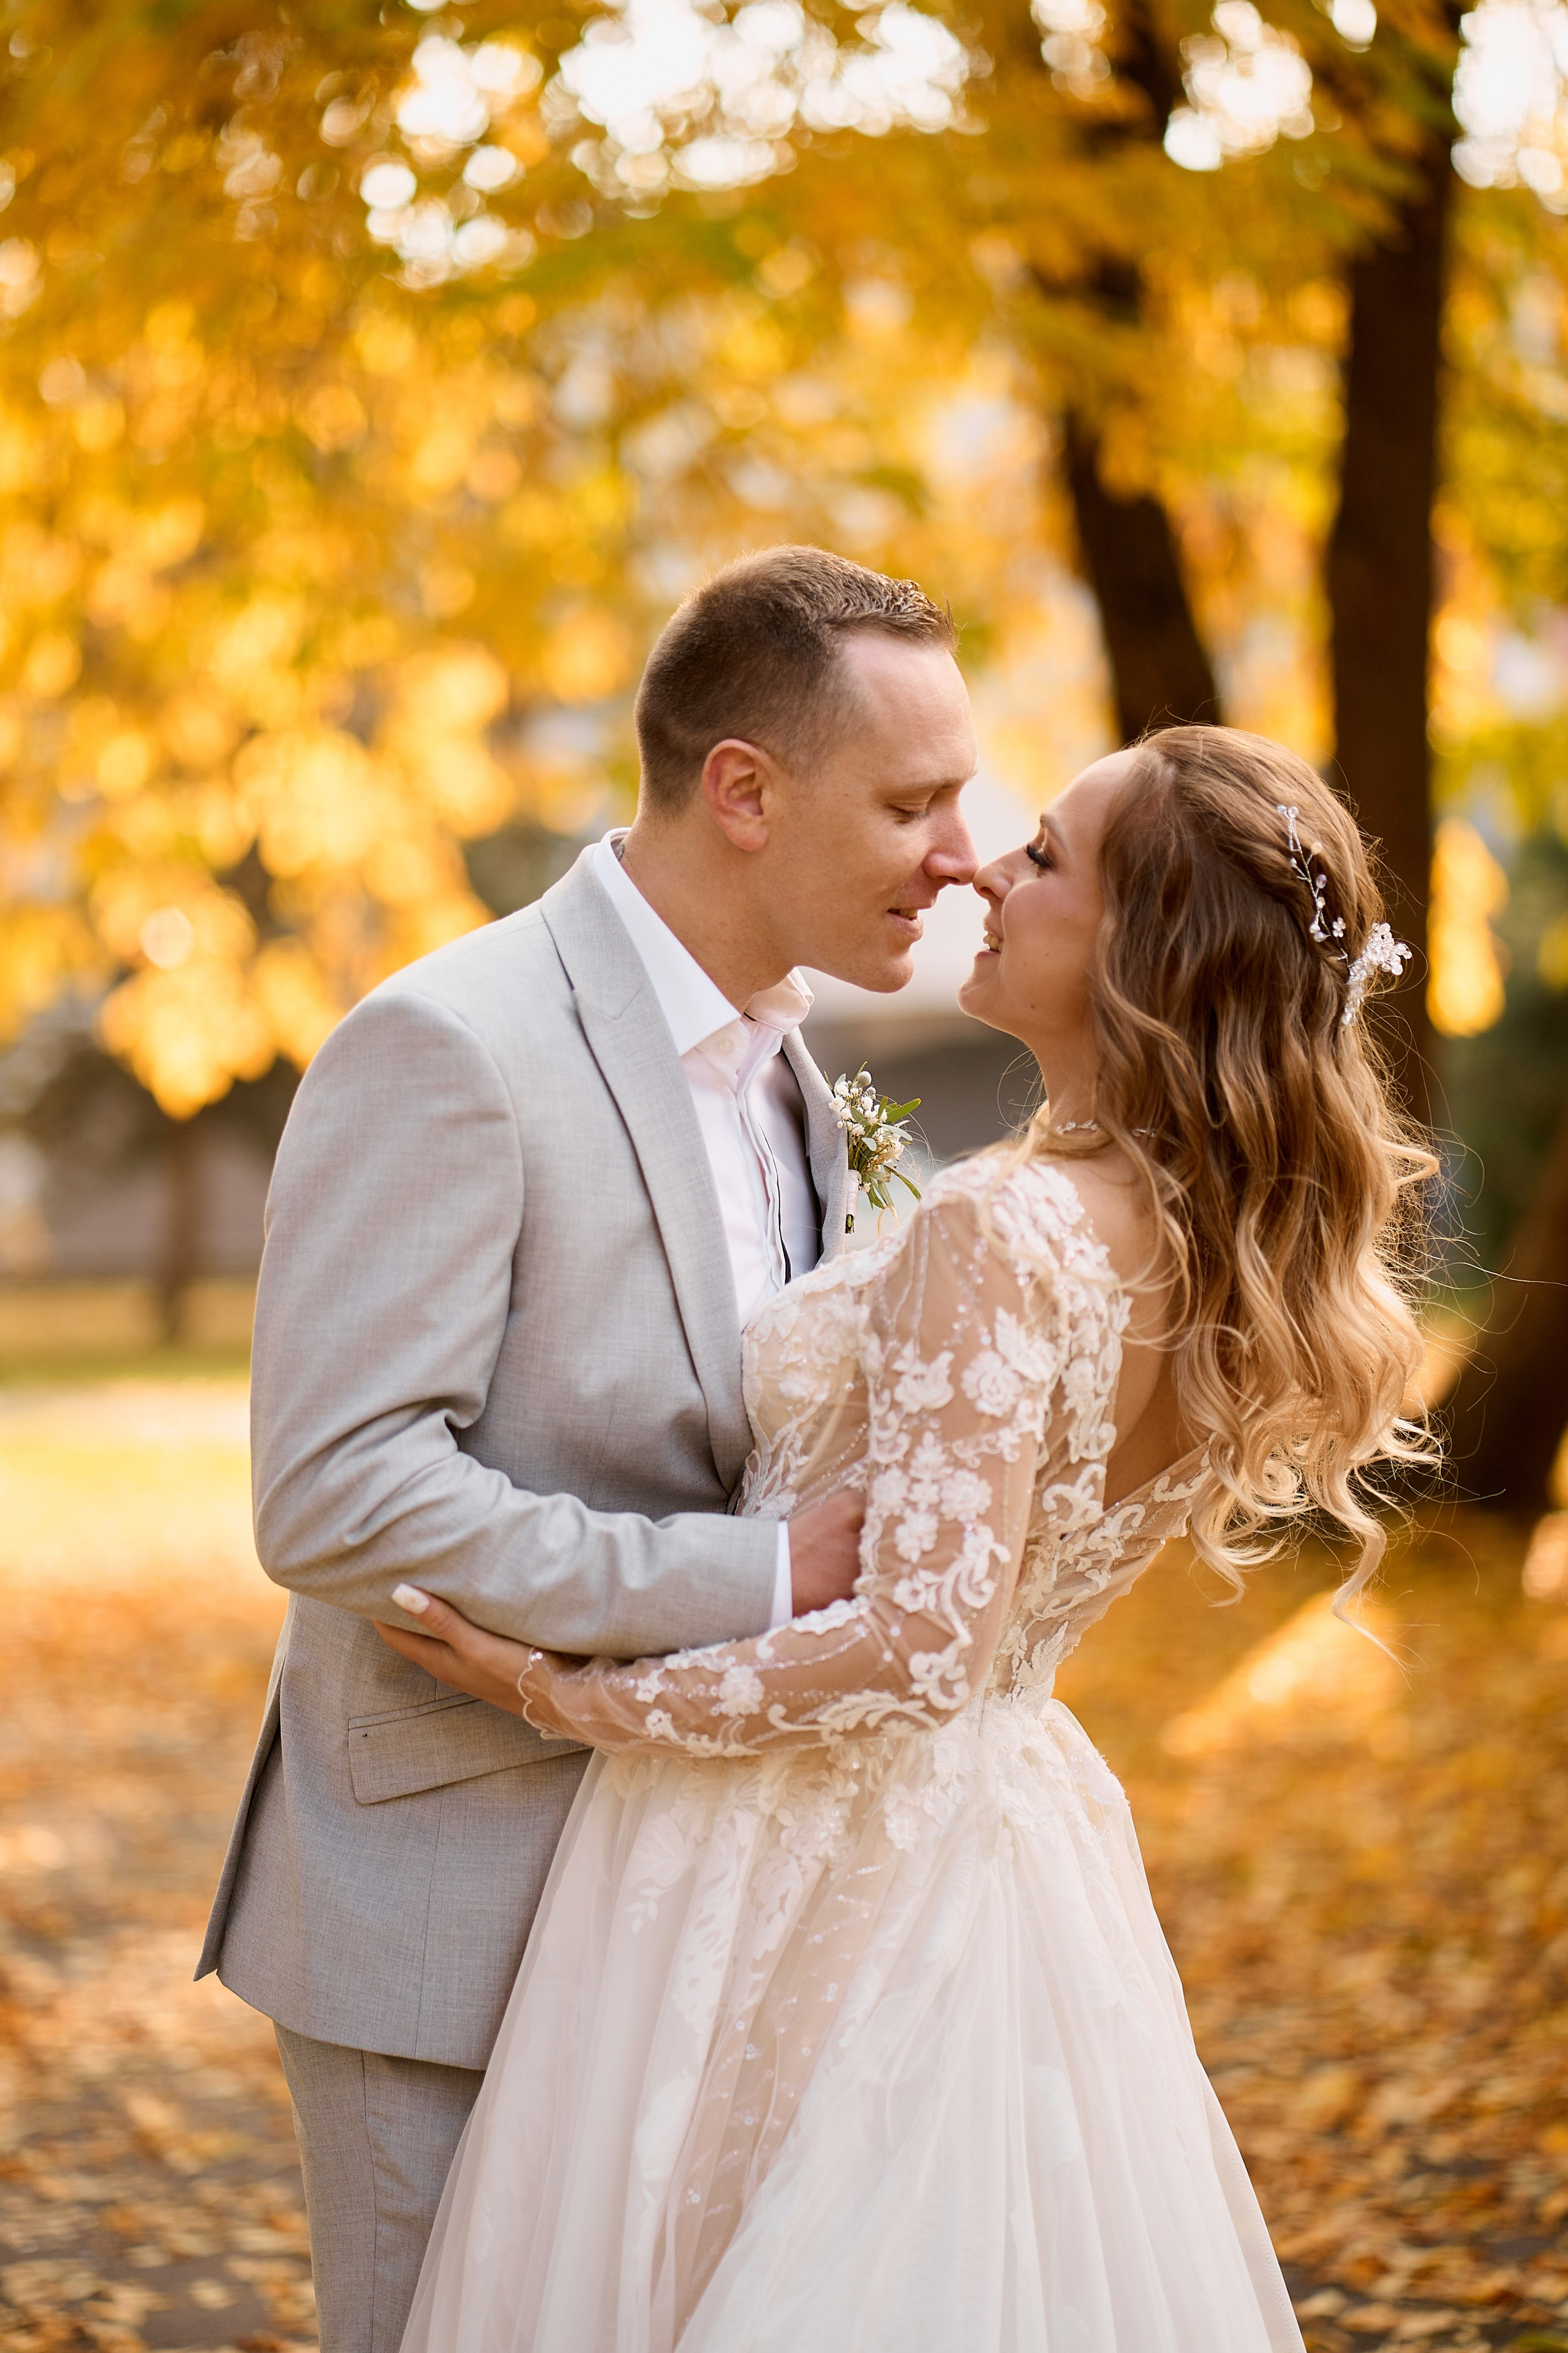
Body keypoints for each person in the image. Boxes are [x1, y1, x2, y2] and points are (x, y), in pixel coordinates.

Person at [379, 723, 1435, 2353]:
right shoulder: (1200, 1251)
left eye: (1047, 856)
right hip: (1010, 1836)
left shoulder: (995, 1230)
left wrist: (566, 1694)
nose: (987, 872)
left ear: (1144, 950)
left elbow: (914, 1642)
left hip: (800, 1856)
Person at [196, 545, 980, 2353]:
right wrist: (757, 1577)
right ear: (745, 790)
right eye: (914, 800)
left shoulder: (794, 1064)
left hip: (710, 1901)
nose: (959, 850)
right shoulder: (449, 1045)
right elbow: (336, 1491)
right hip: (454, 1907)